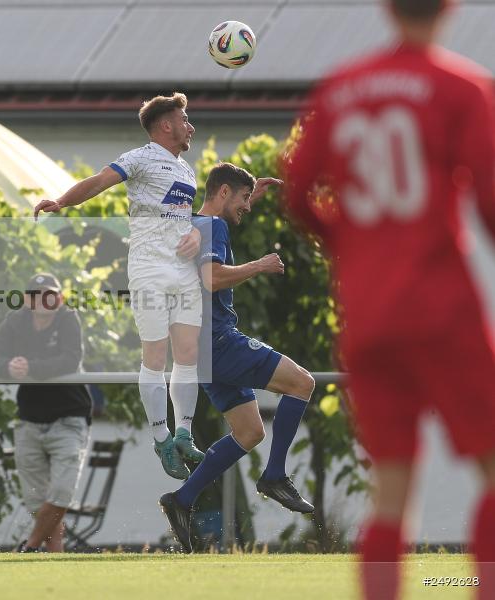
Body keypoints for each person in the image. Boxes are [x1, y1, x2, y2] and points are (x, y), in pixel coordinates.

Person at [284, 0, 495, 597]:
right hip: (442, 305)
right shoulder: (464, 87)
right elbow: (488, 200)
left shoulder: (342, 87)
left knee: (392, 489)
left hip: (370, 312)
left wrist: (353, 247)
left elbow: (298, 192)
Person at [34, 93, 205, 481]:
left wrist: (195, 231)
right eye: (185, 119)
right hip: (148, 269)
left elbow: (185, 220)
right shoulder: (141, 157)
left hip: (182, 271)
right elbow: (99, 181)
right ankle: (161, 438)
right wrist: (62, 202)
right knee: (156, 356)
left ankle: (183, 433)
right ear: (166, 126)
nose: (190, 126)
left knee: (190, 352)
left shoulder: (188, 171)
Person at [159, 162, 316, 553]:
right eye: (244, 199)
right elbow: (211, 278)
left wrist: (249, 194)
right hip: (218, 341)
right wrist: (260, 265)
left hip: (198, 349)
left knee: (250, 431)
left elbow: (217, 210)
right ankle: (275, 476)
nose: (247, 207)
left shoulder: (196, 223)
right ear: (224, 192)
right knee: (302, 383)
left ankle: (181, 500)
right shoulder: (214, 226)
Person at [0, 273, 92, 552]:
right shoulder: (15, 321)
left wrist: (31, 368)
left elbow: (71, 360)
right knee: (35, 500)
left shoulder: (69, 318)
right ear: (27, 300)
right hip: (29, 419)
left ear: (60, 298)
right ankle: (55, 557)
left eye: (50, 293)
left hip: (70, 418)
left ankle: (29, 547)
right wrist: (8, 367)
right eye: (36, 293)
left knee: (61, 493)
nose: (43, 299)